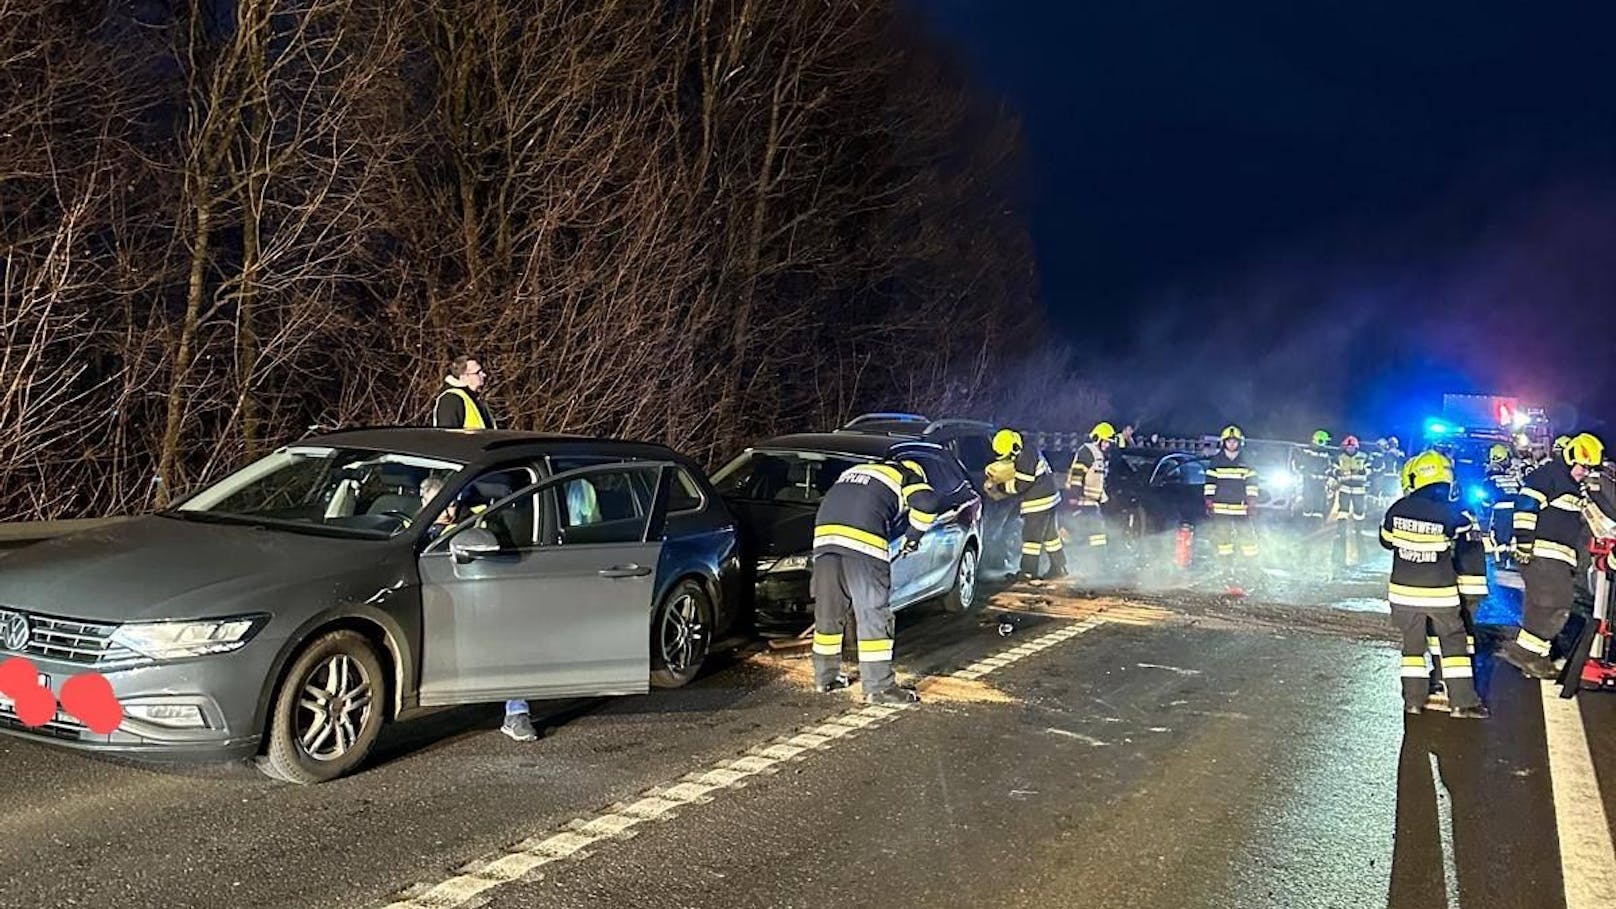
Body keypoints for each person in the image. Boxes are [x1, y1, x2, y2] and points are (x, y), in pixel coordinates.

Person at [810, 459, 942, 704]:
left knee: (829, 613)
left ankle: (825, 677)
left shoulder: (855, 471)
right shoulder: (906, 474)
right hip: (863, 543)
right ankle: (879, 688)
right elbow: (927, 503)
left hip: (824, 539)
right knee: (874, 615)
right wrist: (913, 537)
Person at [1379, 451, 1488, 718]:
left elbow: (1385, 540)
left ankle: (1413, 702)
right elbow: (1465, 535)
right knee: (1453, 645)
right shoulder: (1449, 513)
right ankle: (1462, 703)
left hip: (1403, 594)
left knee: (1412, 649)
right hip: (1439, 593)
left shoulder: (1397, 508)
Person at [1502, 432, 1607, 678]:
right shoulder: (1550, 476)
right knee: (1559, 602)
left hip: (1556, 555)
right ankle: (1530, 654)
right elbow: (1525, 507)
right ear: (1570, 458)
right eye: (1582, 466)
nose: (1585, 471)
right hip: (1542, 552)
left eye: (1589, 467)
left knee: (1540, 605)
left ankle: (1530, 654)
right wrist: (1525, 545)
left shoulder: (1572, 484)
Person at [987, 429, 1066, 583]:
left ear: (1015, 447)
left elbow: (1021, 484)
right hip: (1049, 499)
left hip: (1038, 502)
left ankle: (1028, 572)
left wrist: (1000, 487)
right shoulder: (1028, 449)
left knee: (1031, 539)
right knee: (1051, 537)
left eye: (1009, 455)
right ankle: (1059, 567)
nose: (1009, 459)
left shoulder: (1025, 456)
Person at [1204, 425, 1260, 594]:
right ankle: (1226, 571)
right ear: (1224, 442)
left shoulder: (1247, 462)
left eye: (1235, 441)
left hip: (1240, 507)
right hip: (1221, 508)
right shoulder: (1216, 461)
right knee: (1224, 542)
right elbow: (1210, 483)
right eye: (1229, 441)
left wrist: (1252, 502)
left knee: (1248, 541)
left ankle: (1252, 571)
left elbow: (1252, 484)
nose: (1232, 444)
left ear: (1239, 443)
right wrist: (1208, 501)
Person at [1064, 422, 1115, 576]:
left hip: (1092, 503)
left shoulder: (1100, 456)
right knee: (1078, 534)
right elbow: (1077, 475)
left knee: (1096, 535)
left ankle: (1098, 566)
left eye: (1109, 443)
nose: (1108, 445)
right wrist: (1074, 498)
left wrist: (1106, 501)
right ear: (1097, 438)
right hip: (1082, 502)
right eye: (1106, 441)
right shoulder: (1087, 451)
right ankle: (1070, 563)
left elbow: (1098, 482)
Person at [1328, 435, 1372, 566]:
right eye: (1348, 447)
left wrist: (1364, 471)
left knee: (1359, 512)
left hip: (1359, 488)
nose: (1350, 449)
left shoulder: (1364, 456)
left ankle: (1359, 529)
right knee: (1343, 510)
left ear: (1356, 447)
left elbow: (1370, 469)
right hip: (1345, 488)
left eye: (1352, 447)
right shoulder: (1340, 457)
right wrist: (1338, 473)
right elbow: (1334, 468)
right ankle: (1341, 528)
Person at [1481, 443, 1522, 564]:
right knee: (1513, 535)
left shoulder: (1490, 480)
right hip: (1516, 511)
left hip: (1500, 512)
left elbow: (1486, 500)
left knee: (1500, 537)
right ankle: (1513, 559)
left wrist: (1486, 509)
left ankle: (1502, 560)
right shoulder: (1514, 477)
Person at [433, 355, 496, 429]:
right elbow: (447, 436)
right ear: (464, 377)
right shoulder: (451, 399)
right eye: (478, 372)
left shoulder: (475, 398)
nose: (484, 375)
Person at [1293, 430, 1333, 520]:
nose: (1326, 443)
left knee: (1319, 501)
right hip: (1309, 480)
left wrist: (1327, 475)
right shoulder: (1307, 452)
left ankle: (1317, 520)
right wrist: (1305, 471)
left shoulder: (1325, 453)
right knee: (1308, 499)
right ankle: (1306, 520)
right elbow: (1300, 464)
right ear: (1319, 440)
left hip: (1321, 482)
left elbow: (1329, 466)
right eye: (1325, 441)